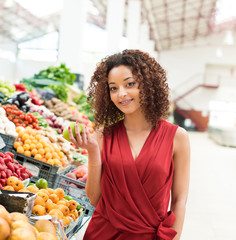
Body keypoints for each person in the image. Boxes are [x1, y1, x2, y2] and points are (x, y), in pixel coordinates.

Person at [67, 49, 190, 240]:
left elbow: (179, 200)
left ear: (148, 84)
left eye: (130, 84)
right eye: (113, 88)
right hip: (103, 234)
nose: (121, 94)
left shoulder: (177, 137)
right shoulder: (101, 136)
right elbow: (94, 199)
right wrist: (92, 150)